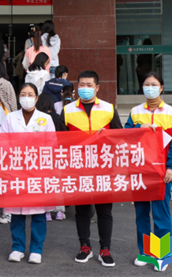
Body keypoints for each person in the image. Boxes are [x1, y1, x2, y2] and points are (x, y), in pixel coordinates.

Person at [63, 70, 123, 268]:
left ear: (97, 87)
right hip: (78, 168)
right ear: (76, 86)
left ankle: (105, 249)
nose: (85, 88)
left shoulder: (109, 109)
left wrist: (108, 136)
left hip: (103, 169)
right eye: (81, 84)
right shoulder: (67, 110)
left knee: (104, 211)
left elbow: (121, 137)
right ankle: (84, 247)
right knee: (82, 210)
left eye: (89, 85)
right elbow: (60, 141)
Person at [125, 72, 172, 269]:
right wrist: (141, 127)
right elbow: (125, 135)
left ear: (161, 88)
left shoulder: (171, 113)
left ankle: (162, 256)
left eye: (154, 84)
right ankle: (145, 253)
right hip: (140, 170)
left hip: (161, 172)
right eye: (146, 84)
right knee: (141, 214)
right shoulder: (135, 112)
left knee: (161, 215)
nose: (150, 88)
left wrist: (171, 167)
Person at [1, 83, 55, 264]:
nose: (26, 97)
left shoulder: (45, 119)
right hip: (15, 171)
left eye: (30, 94)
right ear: (18, 97)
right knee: (17, 213)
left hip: (37, 172)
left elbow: (52, 145)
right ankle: (17, 248)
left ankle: (36, 250)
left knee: (38, 213)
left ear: (37, 98)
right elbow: (2, 142)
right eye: (23, 94)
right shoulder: (10, 118)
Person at [35, 92, 66, 222]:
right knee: (56, 183)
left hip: (40, 154)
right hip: (57, 154)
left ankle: (46, 211)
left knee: (44, 183)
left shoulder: (38, 119)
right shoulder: (57, 117)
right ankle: (59, 211)